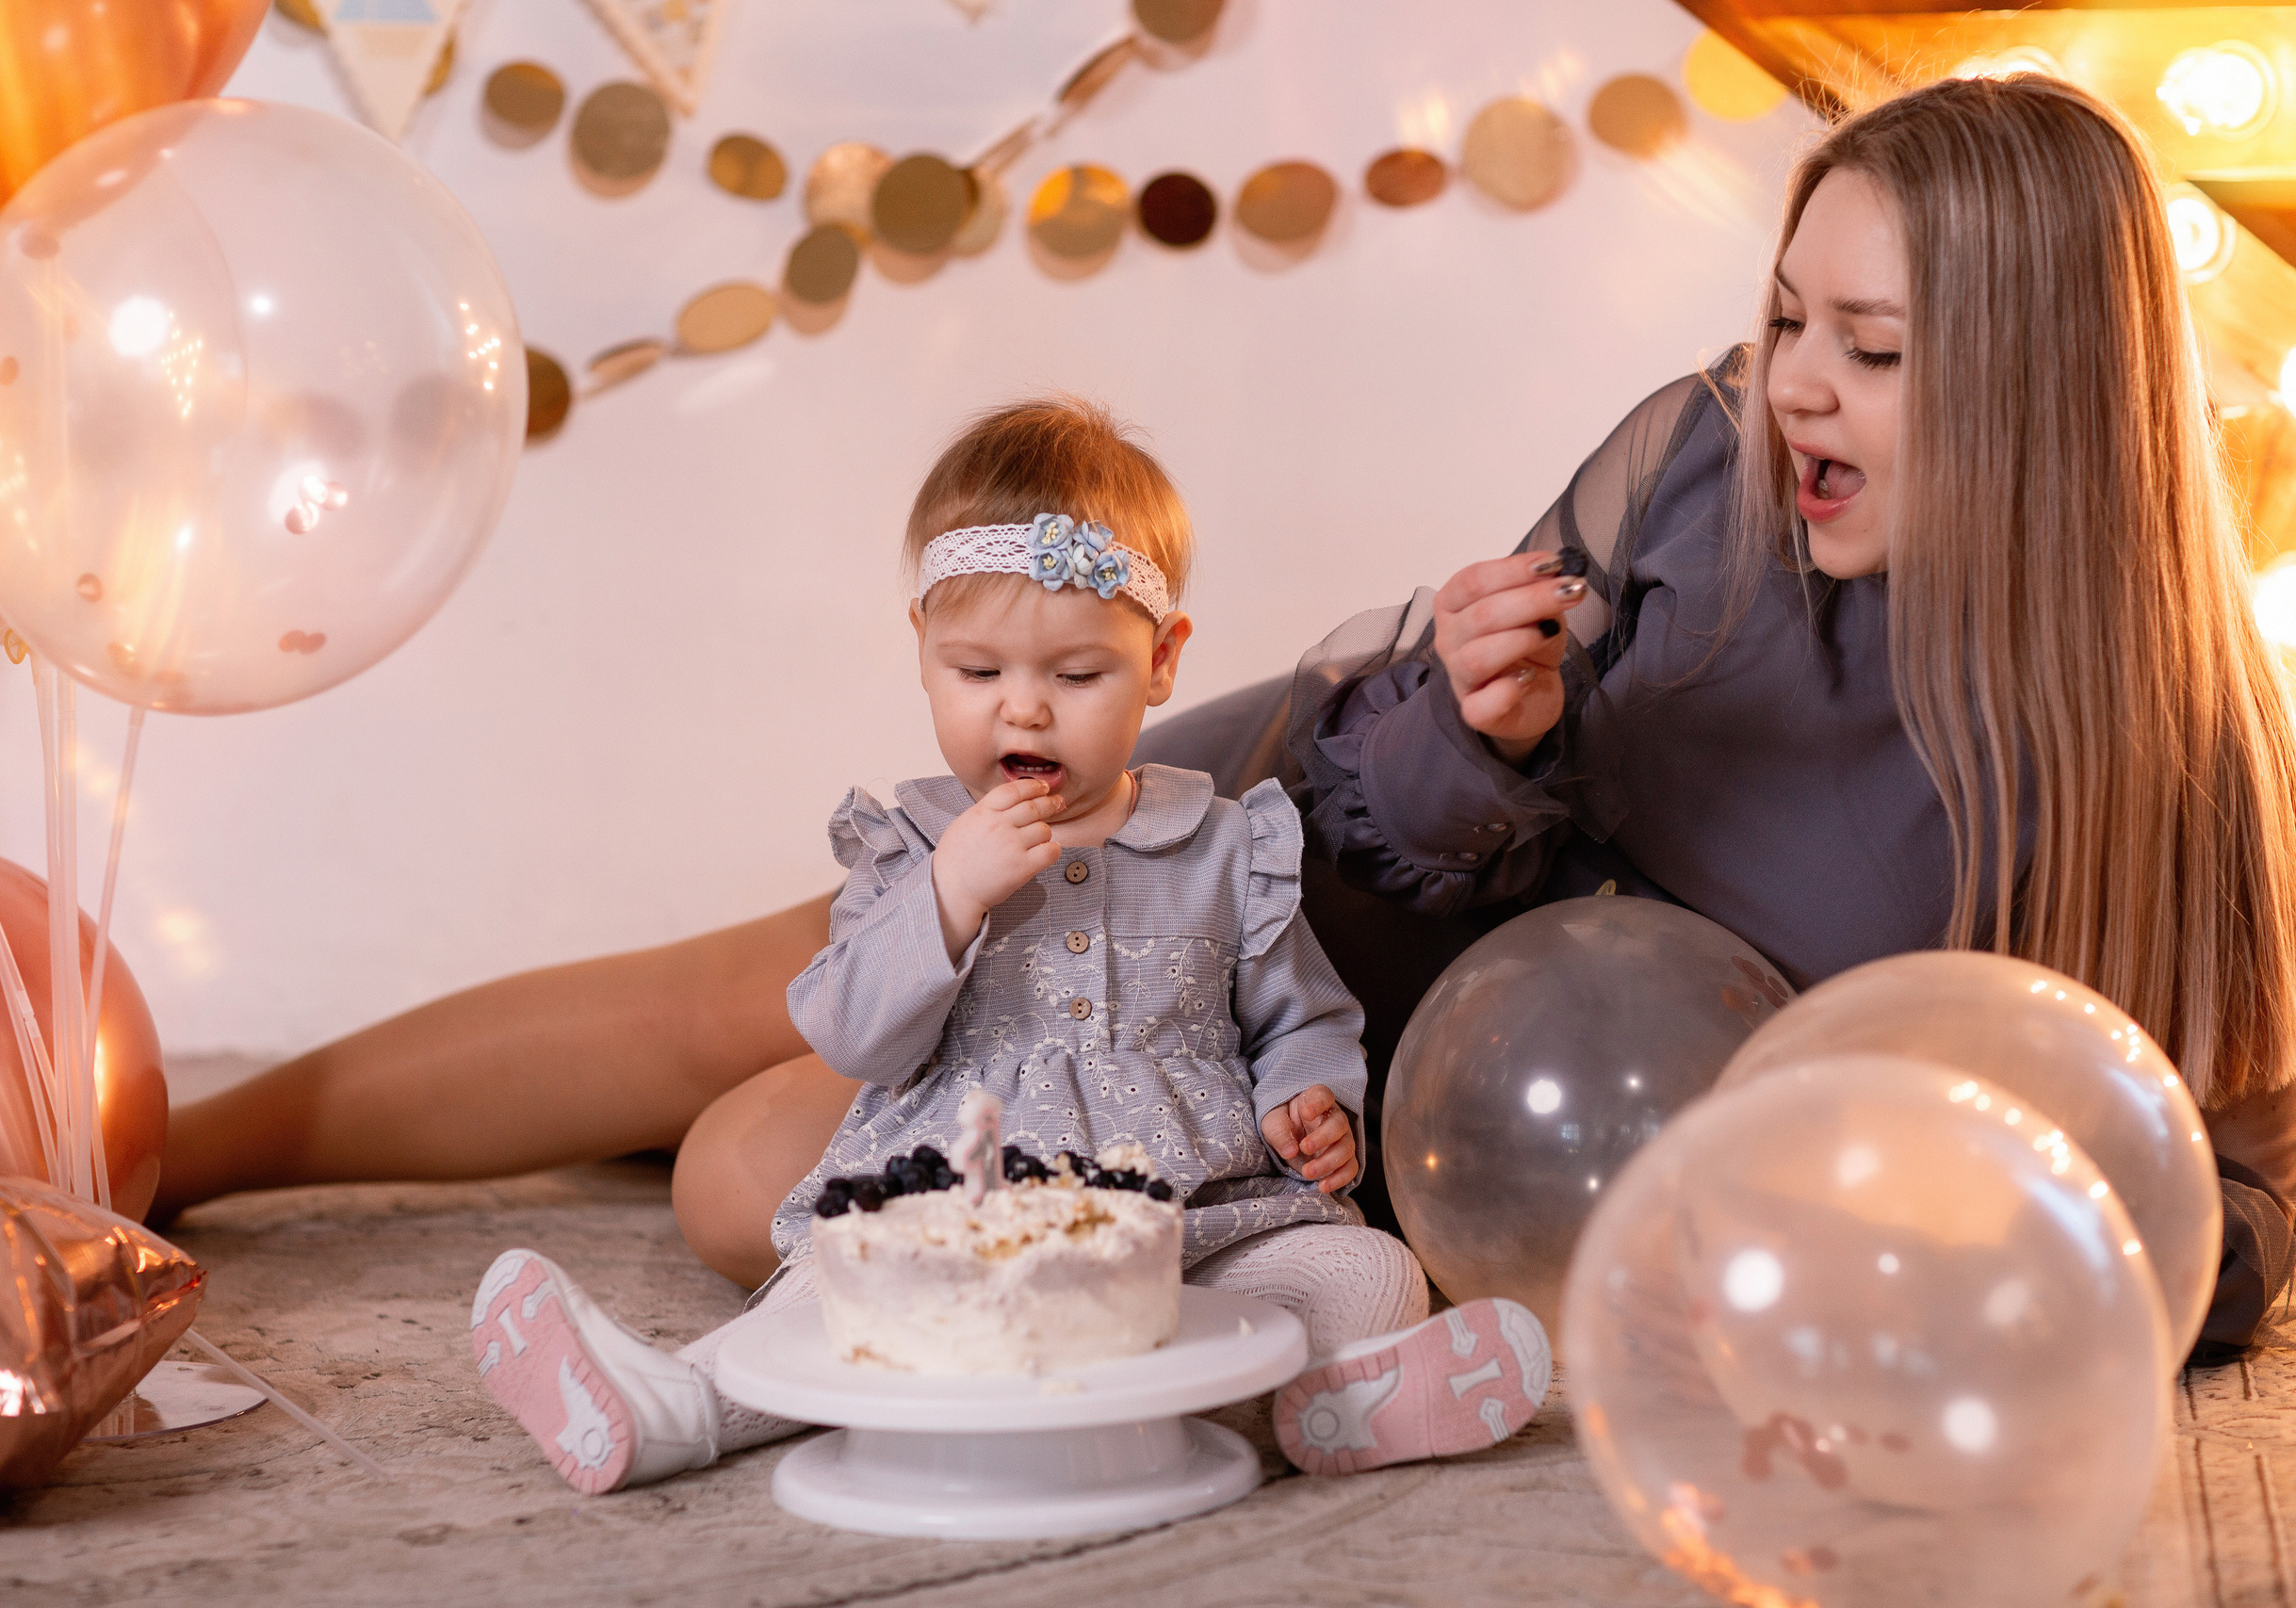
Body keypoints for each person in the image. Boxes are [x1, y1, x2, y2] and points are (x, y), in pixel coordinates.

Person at [157, 73, 2294, 1363]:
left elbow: (2222, 1199)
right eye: (1781, 316)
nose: (1791, 383)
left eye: (1869, 347)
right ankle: (154, 1147)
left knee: (750, 1159)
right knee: (758, 987)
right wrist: (1485, 715)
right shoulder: (1700, 470)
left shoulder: (2154, 774)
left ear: (2028, 395)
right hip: (1304, 875)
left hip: (1399, 1110)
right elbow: (1403, 787)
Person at [464, 399, 1551, 1494]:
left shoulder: (1223, 842)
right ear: (923, 653)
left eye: (1077, 678)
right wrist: (948, 898)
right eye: (977, 673)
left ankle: (1339, 1403)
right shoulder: (911, 850)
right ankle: (671, 1408)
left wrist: (1306, 1099)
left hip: (1196, 1221)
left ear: (1162, 660)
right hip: (957, 1221)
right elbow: (853, 1033)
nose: (1022, 713)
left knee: (1364, 1268)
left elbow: (1298, 1014)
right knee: (833, 1292)